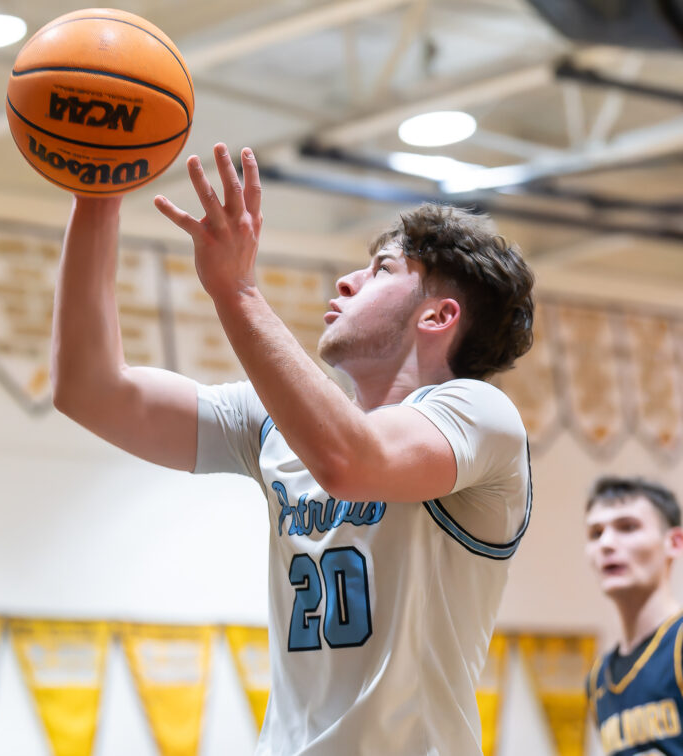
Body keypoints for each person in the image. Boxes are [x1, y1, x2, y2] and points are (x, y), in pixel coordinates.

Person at [51, 143, 534, 755]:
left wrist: (237, 292)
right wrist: (97, 196)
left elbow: (351, 463)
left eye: (382, 269)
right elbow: (90, 390)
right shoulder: (276, 425)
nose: (347, 280)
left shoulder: (479, 415)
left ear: (438, 316)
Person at [584, 476, 683, 755]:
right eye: (595, 533)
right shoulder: (596, 679)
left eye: (627, 527)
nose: (606, 543)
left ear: (674, 543)